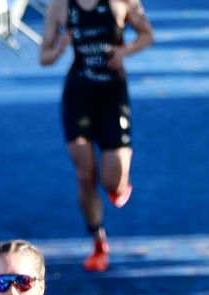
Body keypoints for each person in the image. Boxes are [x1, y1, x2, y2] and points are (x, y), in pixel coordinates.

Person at [38, 0, 153, 271]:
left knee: (112, 182)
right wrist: (61, 46)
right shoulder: (60, 6)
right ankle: (98, 242)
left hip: (113, 96)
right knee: (84, 174)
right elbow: (43, 57)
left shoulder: (123, 2)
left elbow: (147, 35)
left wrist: (124, 50)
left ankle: (119, 186)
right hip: (78, 96)